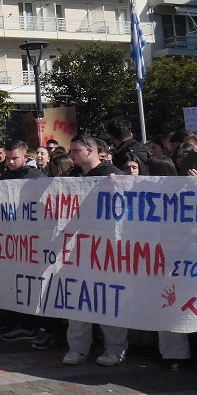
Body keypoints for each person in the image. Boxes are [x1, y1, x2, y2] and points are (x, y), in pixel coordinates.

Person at [62, 134, 128, 367]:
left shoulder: (114, 175)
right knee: (76, 299)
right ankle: (77, 348)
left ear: (90, 151)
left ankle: (115, 349)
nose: (71, 155)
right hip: (77, 249)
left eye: (76, 150)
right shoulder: (72, 176)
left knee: (107, 298)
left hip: (105, 249)